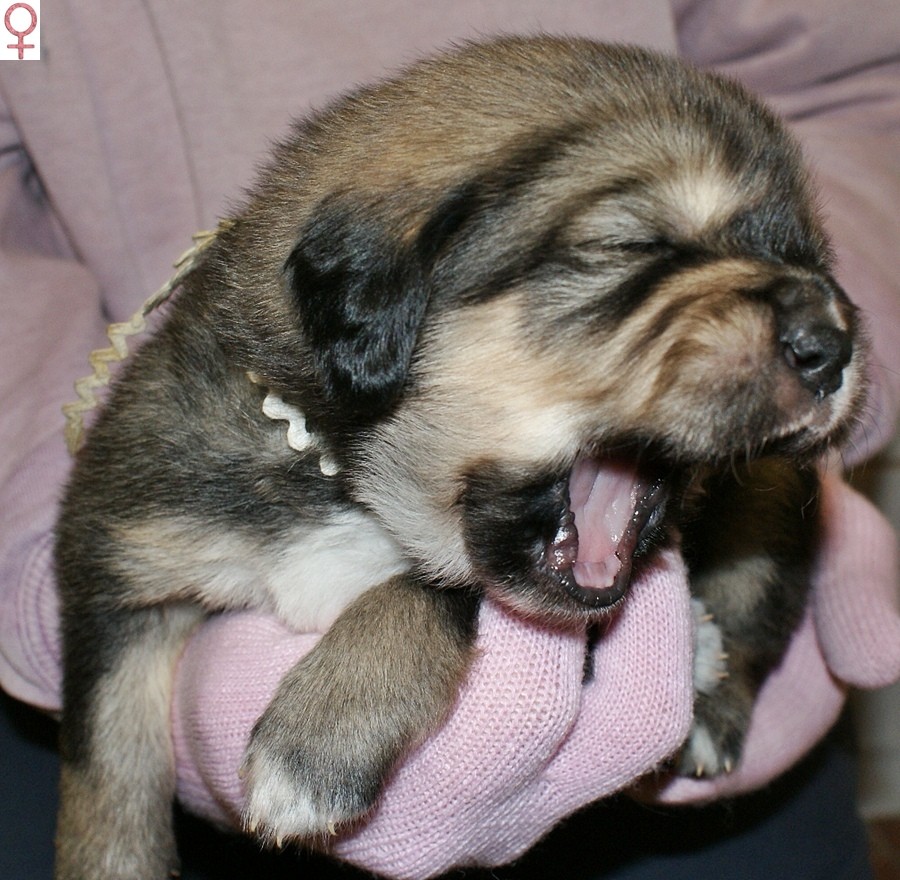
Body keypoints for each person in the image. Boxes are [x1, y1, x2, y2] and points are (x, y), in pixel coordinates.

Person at [1, 1, 899, 877]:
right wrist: (29, 550)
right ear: (380, 304)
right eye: (633, 246)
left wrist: (748, 599)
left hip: (686, 803)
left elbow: (858, 87)